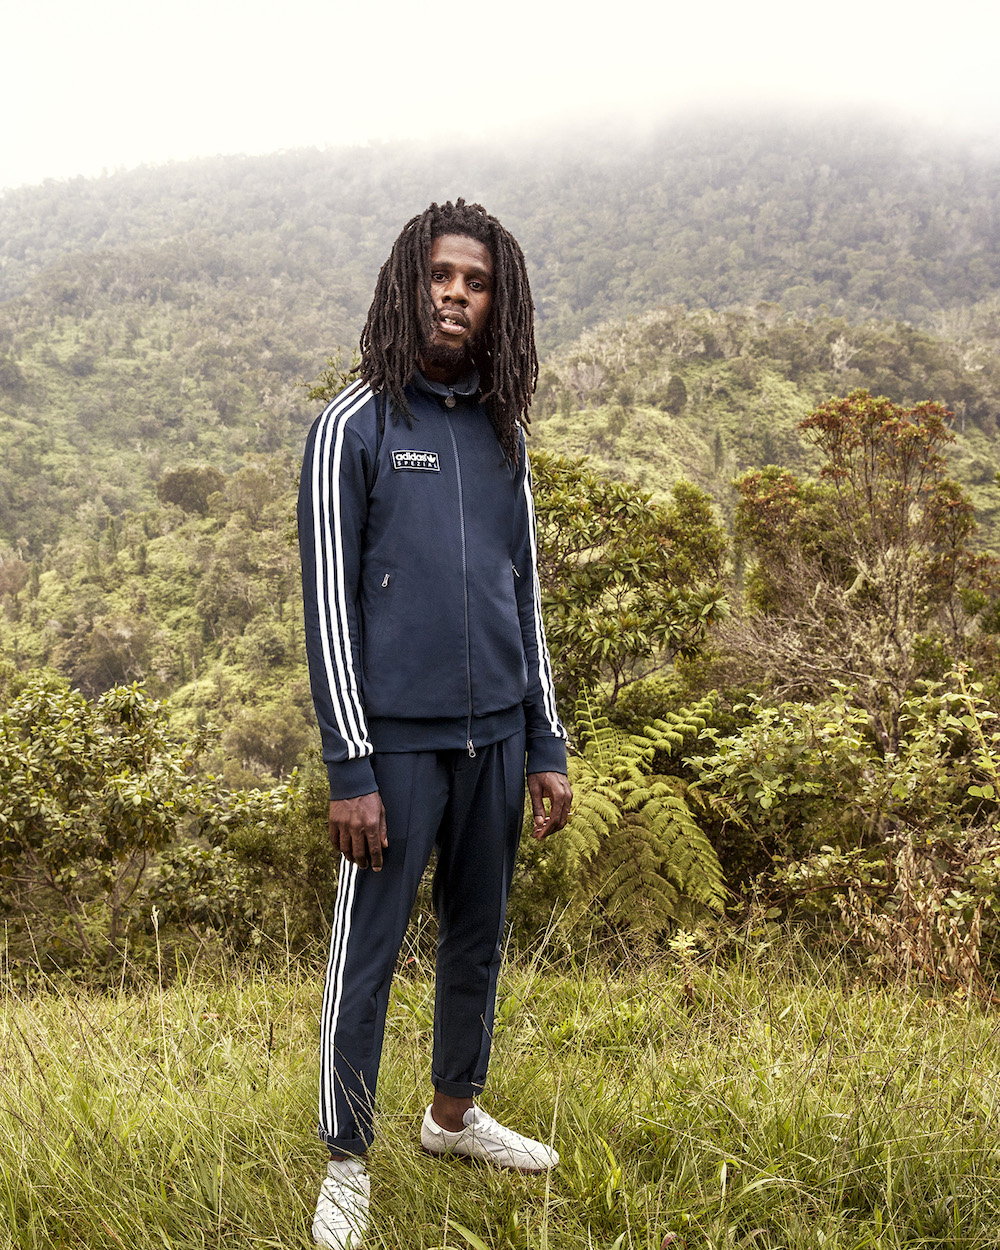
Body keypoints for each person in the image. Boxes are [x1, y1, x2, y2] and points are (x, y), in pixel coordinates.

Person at [298, 199, 573, 1249]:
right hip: (395, 746)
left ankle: (453, 1117)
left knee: (477, 936)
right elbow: (328, 609)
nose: (457, 294)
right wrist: (350, 766)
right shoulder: (353, 425)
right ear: (407, 284)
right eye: (441, 275)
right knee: (365, 954)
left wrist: (543, 742)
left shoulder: (504, 433)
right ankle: (346, 1160)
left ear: (498, 302)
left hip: (495, 737)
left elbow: (524, 593)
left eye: (477, 281)